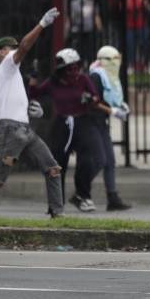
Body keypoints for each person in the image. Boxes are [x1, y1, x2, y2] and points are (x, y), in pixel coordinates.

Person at [0, 8, 64, 218]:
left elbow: (17, 105)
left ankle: (57, 213)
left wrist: (33, 113)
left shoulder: (13, 75)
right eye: (11, 48)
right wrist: (42, 24)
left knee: (53, 169)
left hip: (25, 132)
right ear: (2, 52)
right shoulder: (7, 65)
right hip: (10, 133)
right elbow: (25, 46)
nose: (15, 51)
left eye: (14, 49)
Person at [29, 49, 125, 212]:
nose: (74, 71)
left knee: (94, 158)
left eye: (76, 67)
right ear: (61, 69)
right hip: (62, 124)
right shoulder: (53, 82)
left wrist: (90, 98)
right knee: (58, 164)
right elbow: (35, 93)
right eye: (70, 68)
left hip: (83, 122)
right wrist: (33, 78)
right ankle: (56, 203)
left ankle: (82, 195)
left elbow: (95, 98)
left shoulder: (83, 79)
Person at [89, 45, 132, 211]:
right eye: (111, 59)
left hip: (103, 122)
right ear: (103, 60)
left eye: (117, 59)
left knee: (110, 161)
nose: (115, 63)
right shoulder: (96, 76)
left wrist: (121, 107)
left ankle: (112, 198)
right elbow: (93, 102)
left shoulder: (111, 77)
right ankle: (82, 190)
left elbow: (112, 98)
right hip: (92, 122)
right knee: (100, 160)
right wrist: (112, 111)